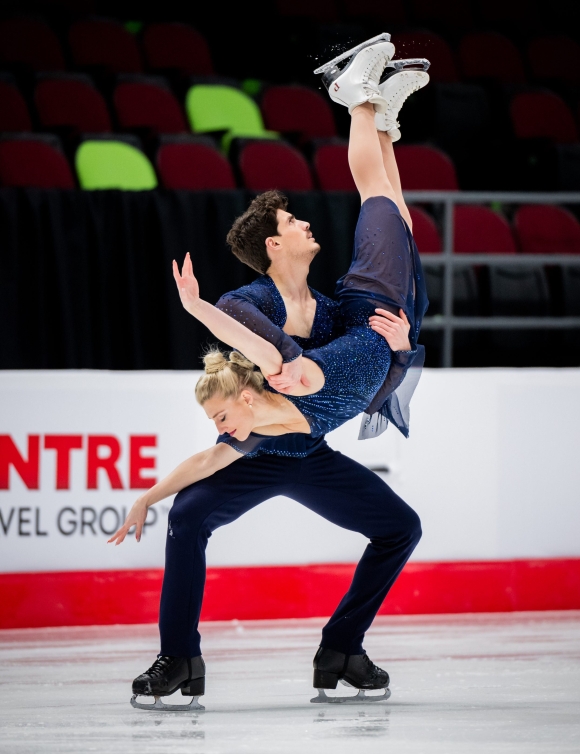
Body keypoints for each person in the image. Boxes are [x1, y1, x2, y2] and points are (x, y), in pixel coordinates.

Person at [111, 38, 429, 709]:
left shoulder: (339, 306)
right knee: (188, 518)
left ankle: (341, 649)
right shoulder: (252, 305)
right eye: (291, 220)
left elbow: (364, 366)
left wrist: (399, 352)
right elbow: (255, 363)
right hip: (263, 445)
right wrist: (198, 309)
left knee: (399, 527)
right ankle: (179, 660)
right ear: (274, 245)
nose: (306, 220)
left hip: (308, 448)